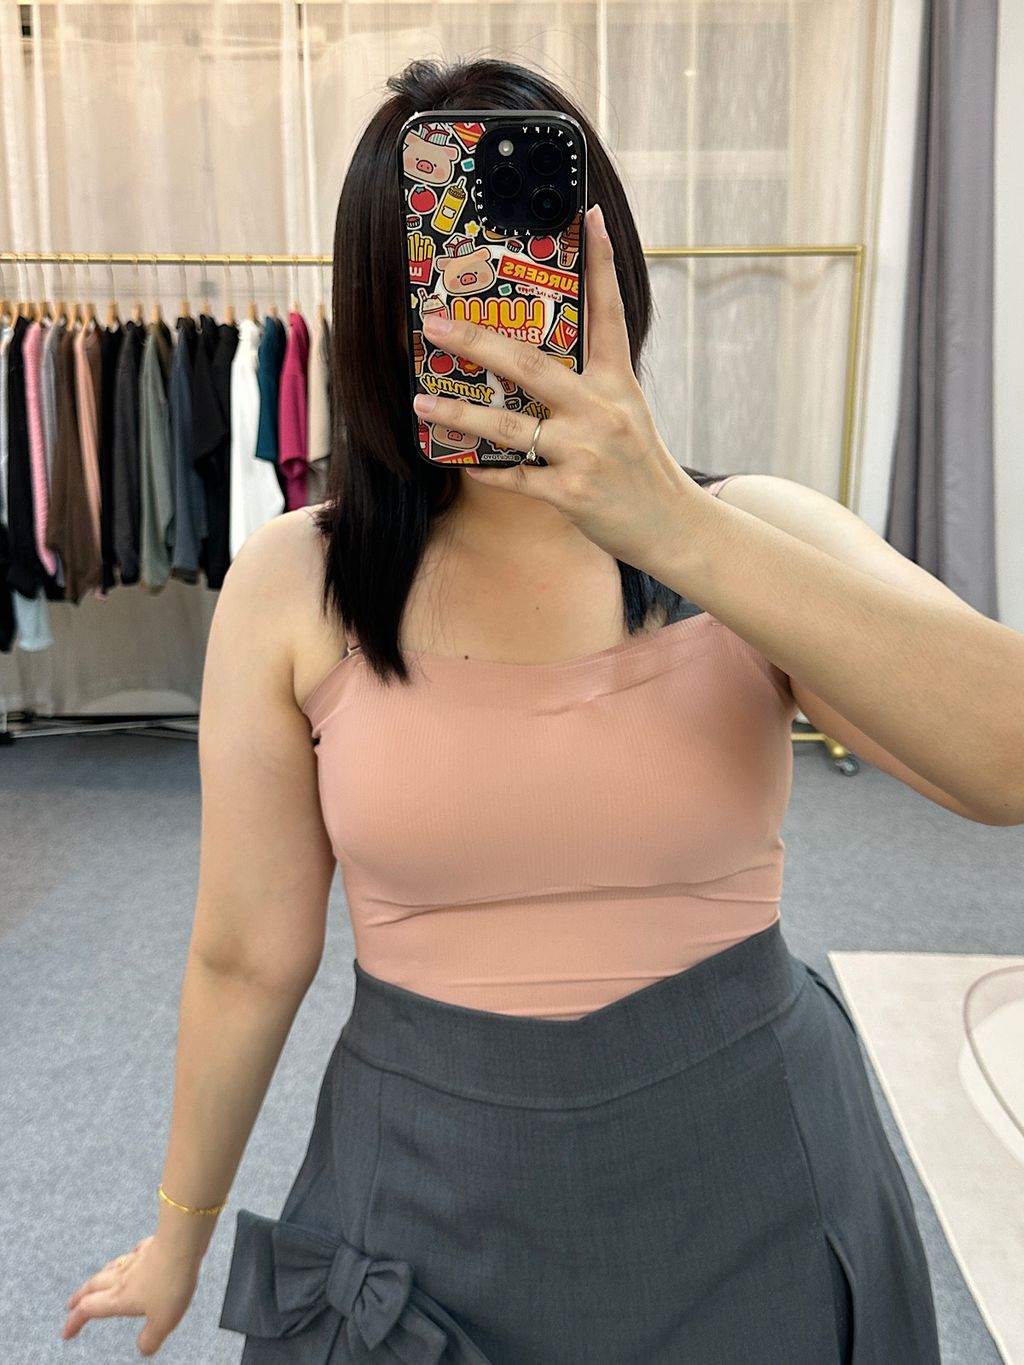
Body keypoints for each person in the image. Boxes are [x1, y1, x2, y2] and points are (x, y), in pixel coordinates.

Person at [62, 56, 946, 1363]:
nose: (499, 311)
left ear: (607, 267)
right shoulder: (297, 582)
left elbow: (1005, 756)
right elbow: (247, 952)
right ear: (384, 307)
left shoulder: (751, 535)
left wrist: (682, 531)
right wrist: (180, 1233)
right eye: (448, 273)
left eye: (533, 256)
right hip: (427, 1197)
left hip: (754, 1171)